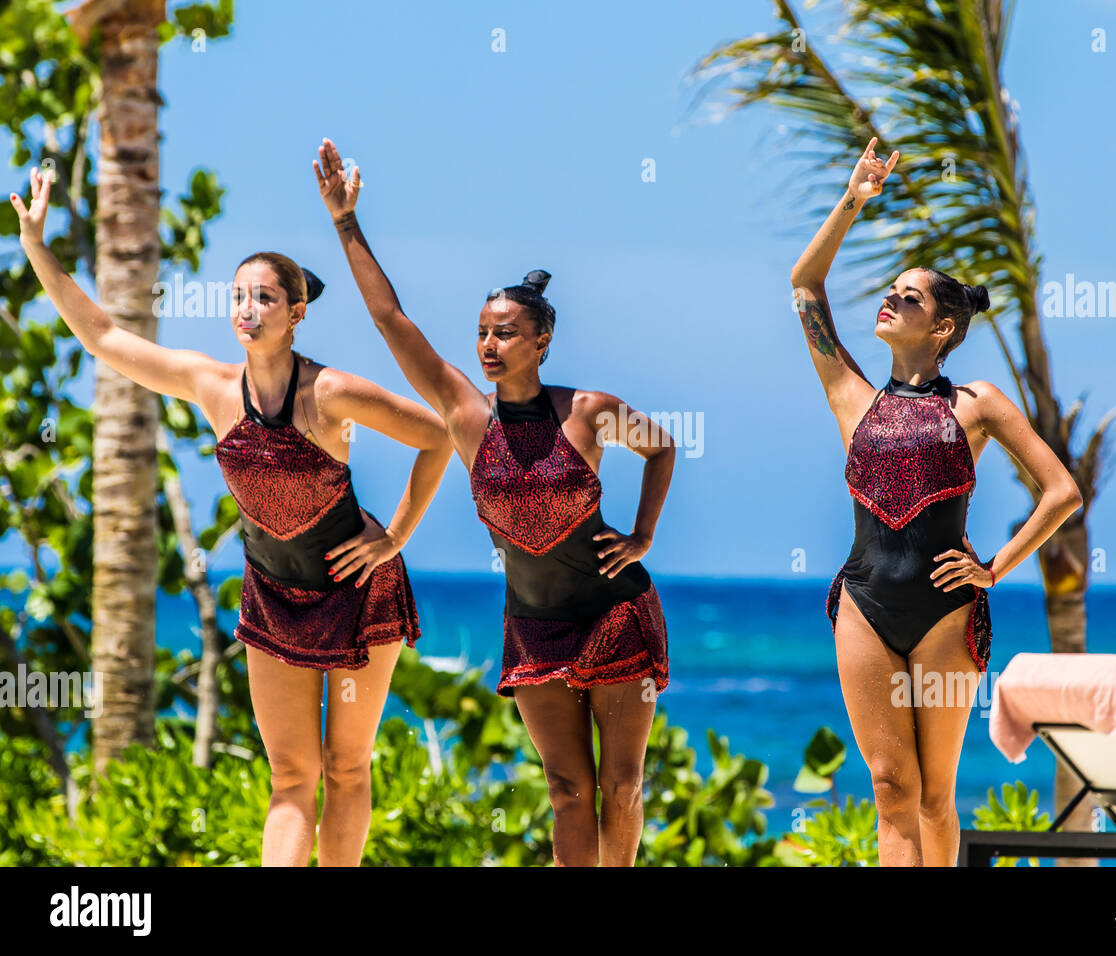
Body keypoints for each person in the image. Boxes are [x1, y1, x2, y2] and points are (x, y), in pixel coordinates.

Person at [11, 167, 454, 867]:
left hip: (355, 593)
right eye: (239, 296)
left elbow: (436, 436)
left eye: (266, 297)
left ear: (296, 312)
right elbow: (101, 336)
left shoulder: (331, 393)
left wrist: (394, 535)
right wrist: (36, 243)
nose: (248, 308)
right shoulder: (212, 386)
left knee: (344, 768)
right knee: (289, 778)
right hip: (274, 595)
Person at [313, 138, 673, 866]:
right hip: (534, 623)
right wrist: (346, 222)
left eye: (504, 333)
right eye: (480, 332)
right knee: (567, 791)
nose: (487, 344)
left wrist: (641, 535)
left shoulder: (590, 410)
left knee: (621, 786)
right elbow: (392, 321)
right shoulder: (466, 416)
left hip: (615, 612)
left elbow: (662, 445)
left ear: (540, 340)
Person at [790, 138, 1082, 866]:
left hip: (946, 614)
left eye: (909, 296)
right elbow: (804, 287)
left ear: (943, 328)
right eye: (892, 289)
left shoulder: (975, 403)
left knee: (932, 797)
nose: (890, 298)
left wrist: (995, 568)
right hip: (864, 602)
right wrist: (854, 199)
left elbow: (1062, 493)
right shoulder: (852, 397)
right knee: (891, 787)